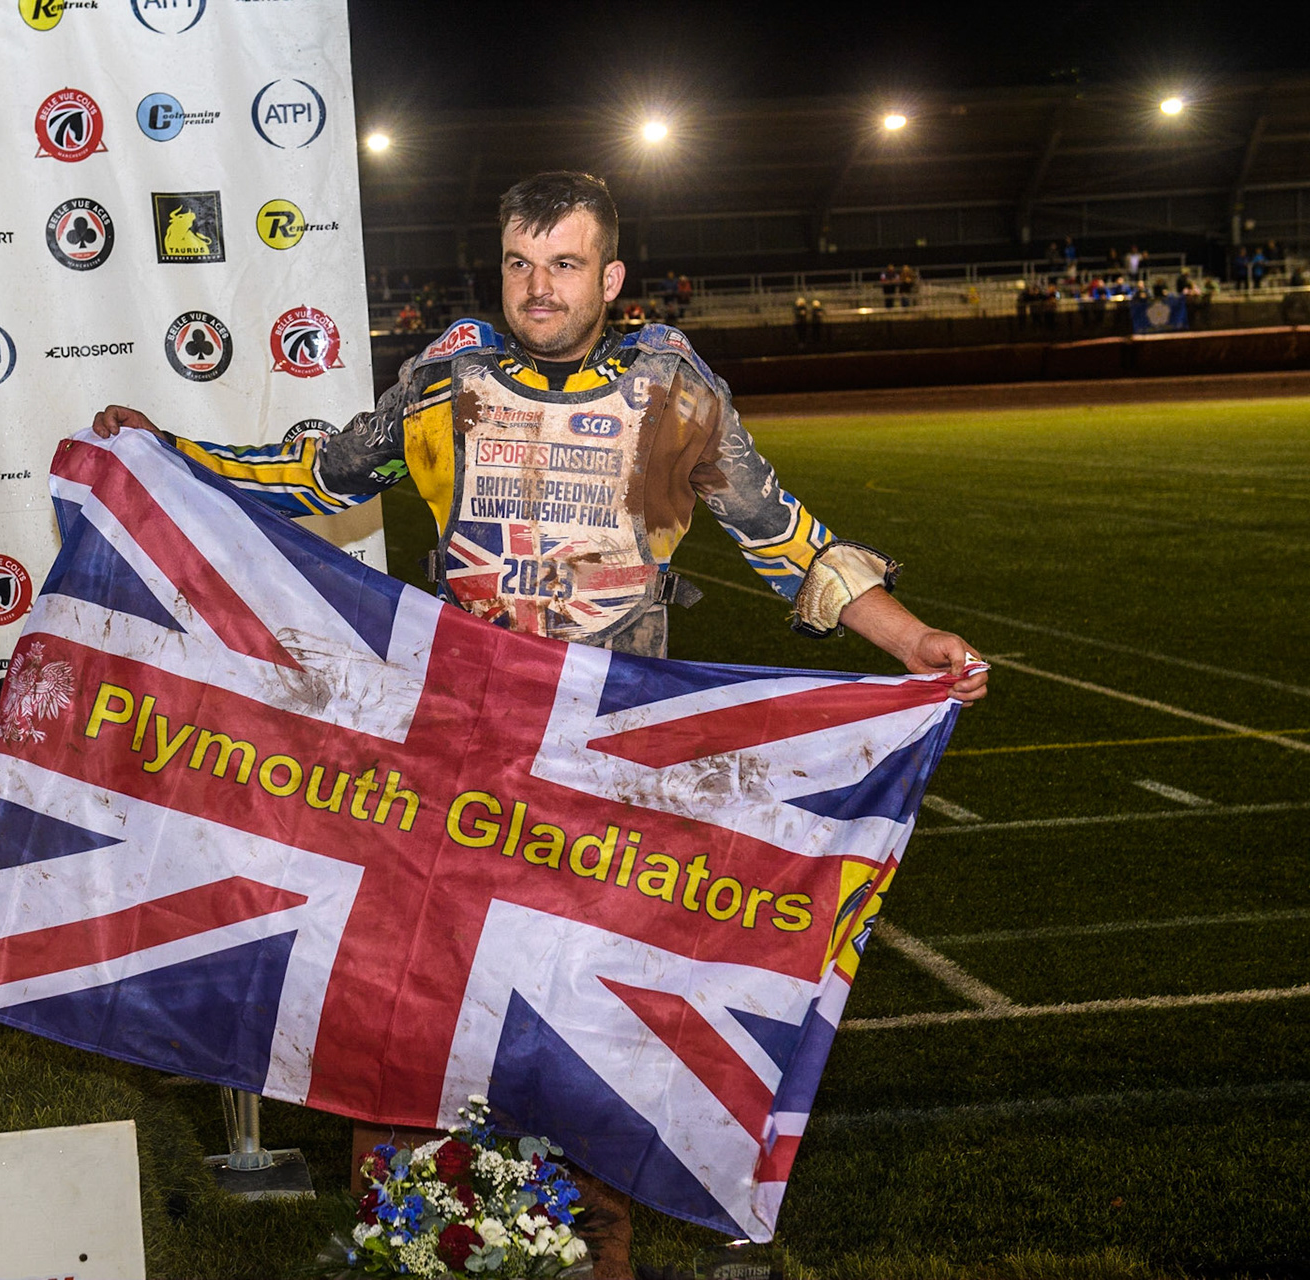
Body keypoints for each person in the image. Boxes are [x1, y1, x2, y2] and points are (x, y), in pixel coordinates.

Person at [91, 170, 987, 1277]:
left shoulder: (672, 385)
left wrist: (912, 642)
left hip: (607, 770)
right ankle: (410, 1237)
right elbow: (319, 473)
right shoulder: (447, 375)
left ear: (610, 274)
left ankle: (584, 1249)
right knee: (412, 999)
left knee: (586, 1023)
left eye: (564, 263)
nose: (539, 287)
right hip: (459, 750)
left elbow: (781, 531)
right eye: (520, 262)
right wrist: (165, 456)